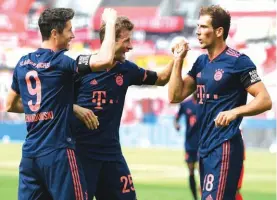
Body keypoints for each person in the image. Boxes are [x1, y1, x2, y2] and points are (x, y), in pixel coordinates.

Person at [5, 7, 118, 200]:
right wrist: (110, 23)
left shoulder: (23, 63)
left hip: (30, 156)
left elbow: (11, 105)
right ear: (55, 34)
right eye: (69, 30)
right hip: (58, 154)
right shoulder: (62, 62)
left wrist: (65, 107)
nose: (73, 35)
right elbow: (106, 59)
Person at [168, 5, 272, 200]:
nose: (198, 32)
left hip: (225, 145)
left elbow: (265, 100)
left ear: (219, 31)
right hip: (205, 147)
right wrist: (177, 61)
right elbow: (175, 95)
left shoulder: (238, 62)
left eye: (204, 27)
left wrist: (235, 112)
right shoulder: (201, 62)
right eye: (198, 26)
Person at [73, 16, 175, 200]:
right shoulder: (81, 66)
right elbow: (56, 99)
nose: (131, 46)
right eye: (126, 40)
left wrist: (177, 57)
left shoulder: (127, 69)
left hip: (112, 153)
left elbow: (161, 79)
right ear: (111, 41)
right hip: (81, 154)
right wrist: (75, 108)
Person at [174, 92, 199, 200]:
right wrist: (176, 125)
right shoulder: (185, 104)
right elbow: (176, 118)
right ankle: (195, 197)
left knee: (204, 171)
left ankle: (206, 195)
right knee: (191, 171)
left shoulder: (205, 104)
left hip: (202, 143)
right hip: (189, 144)